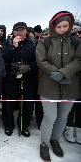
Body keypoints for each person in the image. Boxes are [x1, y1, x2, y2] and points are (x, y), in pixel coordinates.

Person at [35, 11, 81, 161]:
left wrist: (64, 72)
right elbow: (41, 61)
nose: (62, 29)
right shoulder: (44, 42)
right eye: (59, 26)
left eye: (65, 26)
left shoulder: (76, 42)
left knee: (62, 117)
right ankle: (44, 143)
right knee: (50, 116)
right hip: (49, 86)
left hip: (70, 86)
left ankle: (55, 140)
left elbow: (79, 60)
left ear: (70, 26)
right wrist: (55, 73)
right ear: (53, 26)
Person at [2, 22, 38, 137]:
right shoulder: (7, 43)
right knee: (8, 103)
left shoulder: (32, 43)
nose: (20, 32)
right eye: (17, 30)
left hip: (27, 77)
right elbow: (3, 59)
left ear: (26, 31)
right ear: (13, 32)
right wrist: (14, 46)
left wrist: (29, 67)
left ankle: (24, 126)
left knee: (27, 104)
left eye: (22, 30)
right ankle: (8, 125)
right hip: (10, 78)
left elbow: (38, 60)